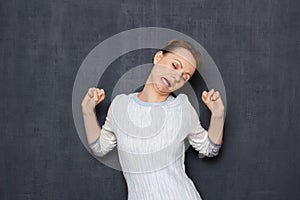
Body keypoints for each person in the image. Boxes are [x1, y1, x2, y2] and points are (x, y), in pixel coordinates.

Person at [81, 39, 225, 200]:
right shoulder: (120, 105)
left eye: (185, 77)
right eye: (174, 65)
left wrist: (218, 115)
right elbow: (100, 148)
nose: (177, 77)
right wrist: (87, 111)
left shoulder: (182, 108)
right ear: (158, 58)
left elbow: (209, 149)